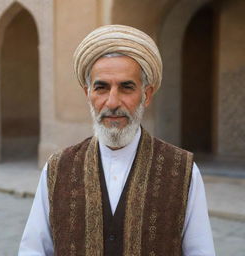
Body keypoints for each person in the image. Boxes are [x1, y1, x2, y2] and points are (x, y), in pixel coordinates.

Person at [18, 25, 215, 256]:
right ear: (88, 93)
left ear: (147, 94)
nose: (112, 102)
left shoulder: (183, 171)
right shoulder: (58, 168)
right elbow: (34, 249)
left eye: (126, 87)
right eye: (101, 88)